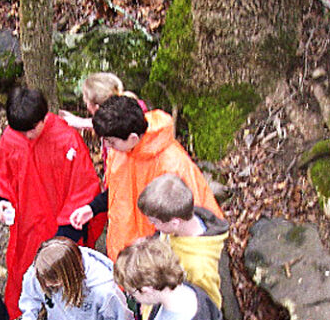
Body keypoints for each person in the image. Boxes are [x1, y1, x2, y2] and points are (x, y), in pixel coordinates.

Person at [0, 87, 105, 320]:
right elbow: (2, 177)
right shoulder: (12, 136)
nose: (26, 136)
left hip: (61, 226)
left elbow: (83, 188)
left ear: (44, 117)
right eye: (20, 131)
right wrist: (2, 202)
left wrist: (65, 233)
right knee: (26, 271)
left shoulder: (66, 140)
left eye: (31, 130)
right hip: (27, 224)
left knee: (66, 273)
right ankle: (36, 312)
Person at [69, 96, 224, 261]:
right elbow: (117, 191)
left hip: (157, 258)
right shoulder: (121, 151)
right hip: (126, 251)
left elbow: (188, 219)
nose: (107, 147)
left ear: (133, 138)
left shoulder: (172, 166)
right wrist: (92, 209)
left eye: (111, 142)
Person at [137, 173, 229, 309]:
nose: (153, 226)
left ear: (174, 222)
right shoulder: (172, 229)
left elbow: (209, 308)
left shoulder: (200, 267)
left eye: (154, 222)